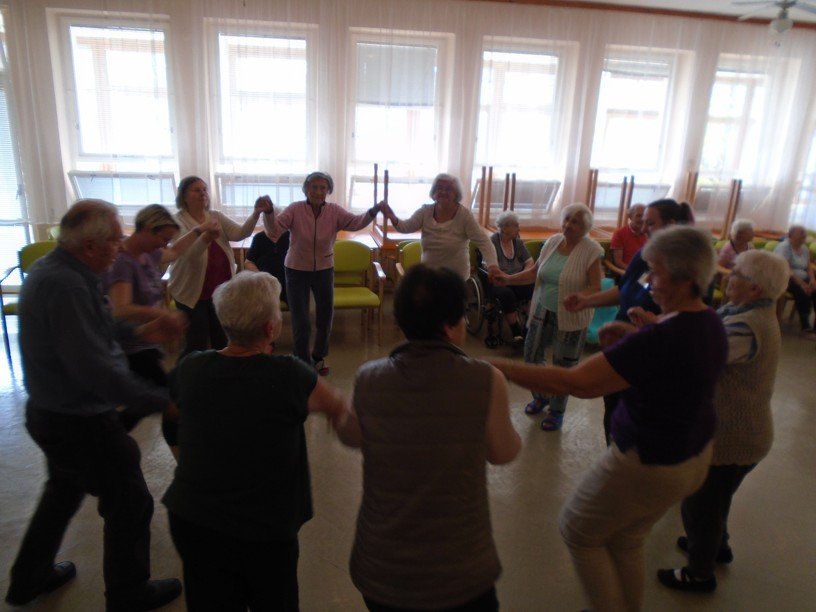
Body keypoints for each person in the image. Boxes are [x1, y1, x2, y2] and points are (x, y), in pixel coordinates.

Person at [490, 225, 727, 612]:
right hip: (692, 456)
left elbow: (574, 383)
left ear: (684, 280)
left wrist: (498, 368)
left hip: (650, 460)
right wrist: (641, 329)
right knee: (626, 539)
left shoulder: (658, 341)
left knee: (578, 530)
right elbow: (676, 356)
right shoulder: (709, 322)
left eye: (655, 273)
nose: (648, 282)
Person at [5, 200, 185, 610]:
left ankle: (28, 580)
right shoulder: (66, 285)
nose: (120, 247)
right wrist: (163, 402)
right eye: (114, 240)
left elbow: (98, 329)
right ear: (90, 245)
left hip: (51, 413)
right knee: (130, 503)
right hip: (79, 420)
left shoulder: (65, 272)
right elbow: (98, 371)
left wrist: (143, 331)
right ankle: (128, 595)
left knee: (62, 492)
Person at [337, 264, 521, 611]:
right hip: (460, 572)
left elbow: (353, 437)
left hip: (382, 568)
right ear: (450, 326)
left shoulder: (368, 378)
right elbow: (503, 452)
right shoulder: (486, 379)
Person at [162, 271, 348, 611]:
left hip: (194, 518)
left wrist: (188, 460)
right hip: (264, 526)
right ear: (270, 329)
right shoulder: (290, 375)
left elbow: (170, 421)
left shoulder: (191, 368)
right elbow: (338, 408)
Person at [657, 249, 788, 593]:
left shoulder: (747, 326)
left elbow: (699, 356)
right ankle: (717, 546)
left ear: (755, 288)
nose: (727, 276)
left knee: (700, 504)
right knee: (716, 500)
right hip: (743, 434)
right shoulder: (744, 313)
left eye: (736, 274)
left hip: (733, 437)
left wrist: (654, 338)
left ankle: (700, 573)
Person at [564, 198, 694, 443]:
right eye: (642, 222)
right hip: (622, 346)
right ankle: (613, 451)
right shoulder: (644, 255)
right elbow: (623, 290)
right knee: (613, 408)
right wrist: (586, 301)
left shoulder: (686, 265)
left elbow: (691, 317)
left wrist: (658, 321)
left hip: (650, 352)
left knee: (638, 413)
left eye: (650, 223)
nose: (643, 229)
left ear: (671, 224)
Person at [105, 204, 215, 437]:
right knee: (165, 402)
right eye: (163, 238)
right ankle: (108, 436)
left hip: (147, 341)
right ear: (147, 229)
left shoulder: (147, 254)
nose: (164, 245)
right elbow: (120, 308)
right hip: (132, 346)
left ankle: (109, 434)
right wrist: (162, 314)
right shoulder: (124, 262)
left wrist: (199, 231)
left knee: (157, 401)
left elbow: (175, 252)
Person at [492, 203, 603, 431]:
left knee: (564, 365)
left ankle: (557, 410)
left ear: (585, 227)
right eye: (566, 219)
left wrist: (581, 297)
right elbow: (534, 273)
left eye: (575, 222)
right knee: (531, 355)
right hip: (541, 310)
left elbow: (596, 287)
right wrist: (508, 279)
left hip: (572, 315)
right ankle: (541, 396)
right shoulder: (552, 242)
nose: (568, 225)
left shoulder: (591, 250)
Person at [261, 171, 380, 375]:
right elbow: (274, 230)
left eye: (322, 188)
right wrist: (269, 212)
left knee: (325, 316)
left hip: (324, 269)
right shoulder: (295, 209)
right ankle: (301, 360)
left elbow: (356, 223)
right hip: (296, 269)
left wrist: (373, 211)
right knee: (301, 320)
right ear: (306, 189)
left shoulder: (334, 211)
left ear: (328, 190)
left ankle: (318, 357)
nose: (318, 191)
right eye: (313, 187)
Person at [168, 175, 270, 355]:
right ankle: (189, 371)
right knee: (196, 343)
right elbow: (190, 256)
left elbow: (239, 233)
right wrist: (206, 236)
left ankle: (217, 370)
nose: (203, 194)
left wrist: (256, 214)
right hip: (191, 293)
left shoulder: (215, 216)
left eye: (204, 190)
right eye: (196, 190)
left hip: (220, 290)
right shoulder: (177, 222)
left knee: (222, 340)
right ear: (184, 196)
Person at [379, 173, 499, 280]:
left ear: (456, 194)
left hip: (456, 279)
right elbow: (406, 227)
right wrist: (392, 217)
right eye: (439, 188)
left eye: (448, 189)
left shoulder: (464, 216)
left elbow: (484, 242)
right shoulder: (425, 211)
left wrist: (492, 265)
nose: (443, 192)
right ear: (434, 192)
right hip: (429, 276)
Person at [486, 210, 535, 342]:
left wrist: (522, 275)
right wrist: (503, 277)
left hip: (516, 279)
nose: (519, 228)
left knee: (533, 286)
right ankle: (516, 330)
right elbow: (488, 265)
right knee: (507, 294)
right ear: (505, 227)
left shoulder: (517, 242)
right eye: (516, 225)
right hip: (498, 282)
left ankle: (528, 325)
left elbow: (530, 262)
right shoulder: (492, 242)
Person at [774, 224, 816, 337]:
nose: (804, 235)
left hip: (802, 277)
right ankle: (805, 327)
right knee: (802, 292)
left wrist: (812, 280)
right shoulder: (784, 247)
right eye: (801, 233)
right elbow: (786, 269)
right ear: (791, 235)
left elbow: (808, 266)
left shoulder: (804, 248)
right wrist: (802, 284)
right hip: (784, 278)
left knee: (814, 289)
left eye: (804, 233)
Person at [244, 225, 289, 304]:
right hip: (265, 285)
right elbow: (248, 262)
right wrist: (261, 276)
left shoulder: (290, 236)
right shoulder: (259, 238)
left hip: (287, 283)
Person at [610, 203, 647, 270]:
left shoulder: (649, 233)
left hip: (646, 271)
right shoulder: (620, 234)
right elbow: (618, 262)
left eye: (644, 216)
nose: (642, 219)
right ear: (630, 217)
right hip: (627, 271)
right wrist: (632, 271)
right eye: (638, 216)